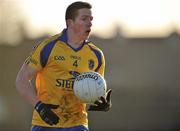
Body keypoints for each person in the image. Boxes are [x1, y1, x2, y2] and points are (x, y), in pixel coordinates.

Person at [15, 1, 112, 131]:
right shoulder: (48, 47)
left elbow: (91, 91)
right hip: (45, 124)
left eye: (91, 19)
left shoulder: (96, 55)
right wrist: (39, 107)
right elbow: (21, 80)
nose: (89, 23)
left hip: (77, 125)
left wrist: (102, 103)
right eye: (84, 19)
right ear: (70, 22)